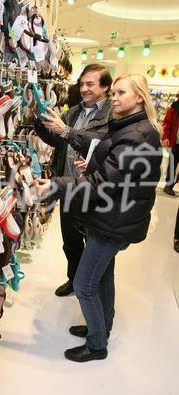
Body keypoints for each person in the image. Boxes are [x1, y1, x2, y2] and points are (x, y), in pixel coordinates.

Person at [36, 74, 162, 362]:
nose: (114, 98)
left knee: (84, 284)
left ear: (139, 97)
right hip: (112, 215)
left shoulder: (136, 135)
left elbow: (102, 184)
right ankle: (101, 328)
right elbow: (116, 173)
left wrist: (57, 184)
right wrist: (93, 164)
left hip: (113, 219)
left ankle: (96, 345)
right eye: (114, 92)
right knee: (103, 276)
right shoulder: (130, 128)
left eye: (121, 93)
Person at [34, 64, 113, 297]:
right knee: (70, 241)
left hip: (93, 189)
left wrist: (65, 130)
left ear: (105, 87)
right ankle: (74, 279)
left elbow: (99, 143)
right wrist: (41, 122)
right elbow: (57, 140)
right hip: (68, 185)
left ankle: (91, 289)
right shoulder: (74, 111)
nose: (85, 89)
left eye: (91, 84)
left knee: (94, 244)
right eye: (82, 84)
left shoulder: (110, 116)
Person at [162, 94, 179, 195]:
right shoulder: (174, 107)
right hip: (175, 143)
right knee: (172, 165)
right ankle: (168, 185)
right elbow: (167, 123)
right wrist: (166, 137)